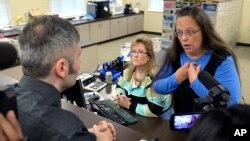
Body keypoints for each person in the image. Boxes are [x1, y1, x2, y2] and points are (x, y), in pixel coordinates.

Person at [10, 15, 116, 141]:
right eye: (78, 56)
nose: (79, 62)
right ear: (61, 68)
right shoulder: (67, 129)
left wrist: (84, 135)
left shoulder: (5, 98)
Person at [152, 6, 241, 113]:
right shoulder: (174, 54)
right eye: (179, 33)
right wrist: (177, 77)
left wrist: (195, 82)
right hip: (182, 121)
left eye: (189, 32)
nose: (184, 38)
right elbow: (157, 86)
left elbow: (230, 105)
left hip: (211, 125)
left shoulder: (222, 59)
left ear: (204, 31)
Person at [113, 35, 173, 120]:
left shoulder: (155, 79)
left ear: (149, 56)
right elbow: (119, 87)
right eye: (133, 51)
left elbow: (154, 110)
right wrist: (121, 97)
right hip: (138, 115)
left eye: (140, 52)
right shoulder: (128, 72)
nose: (135, 55)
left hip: (160, 121)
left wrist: (128, 104)